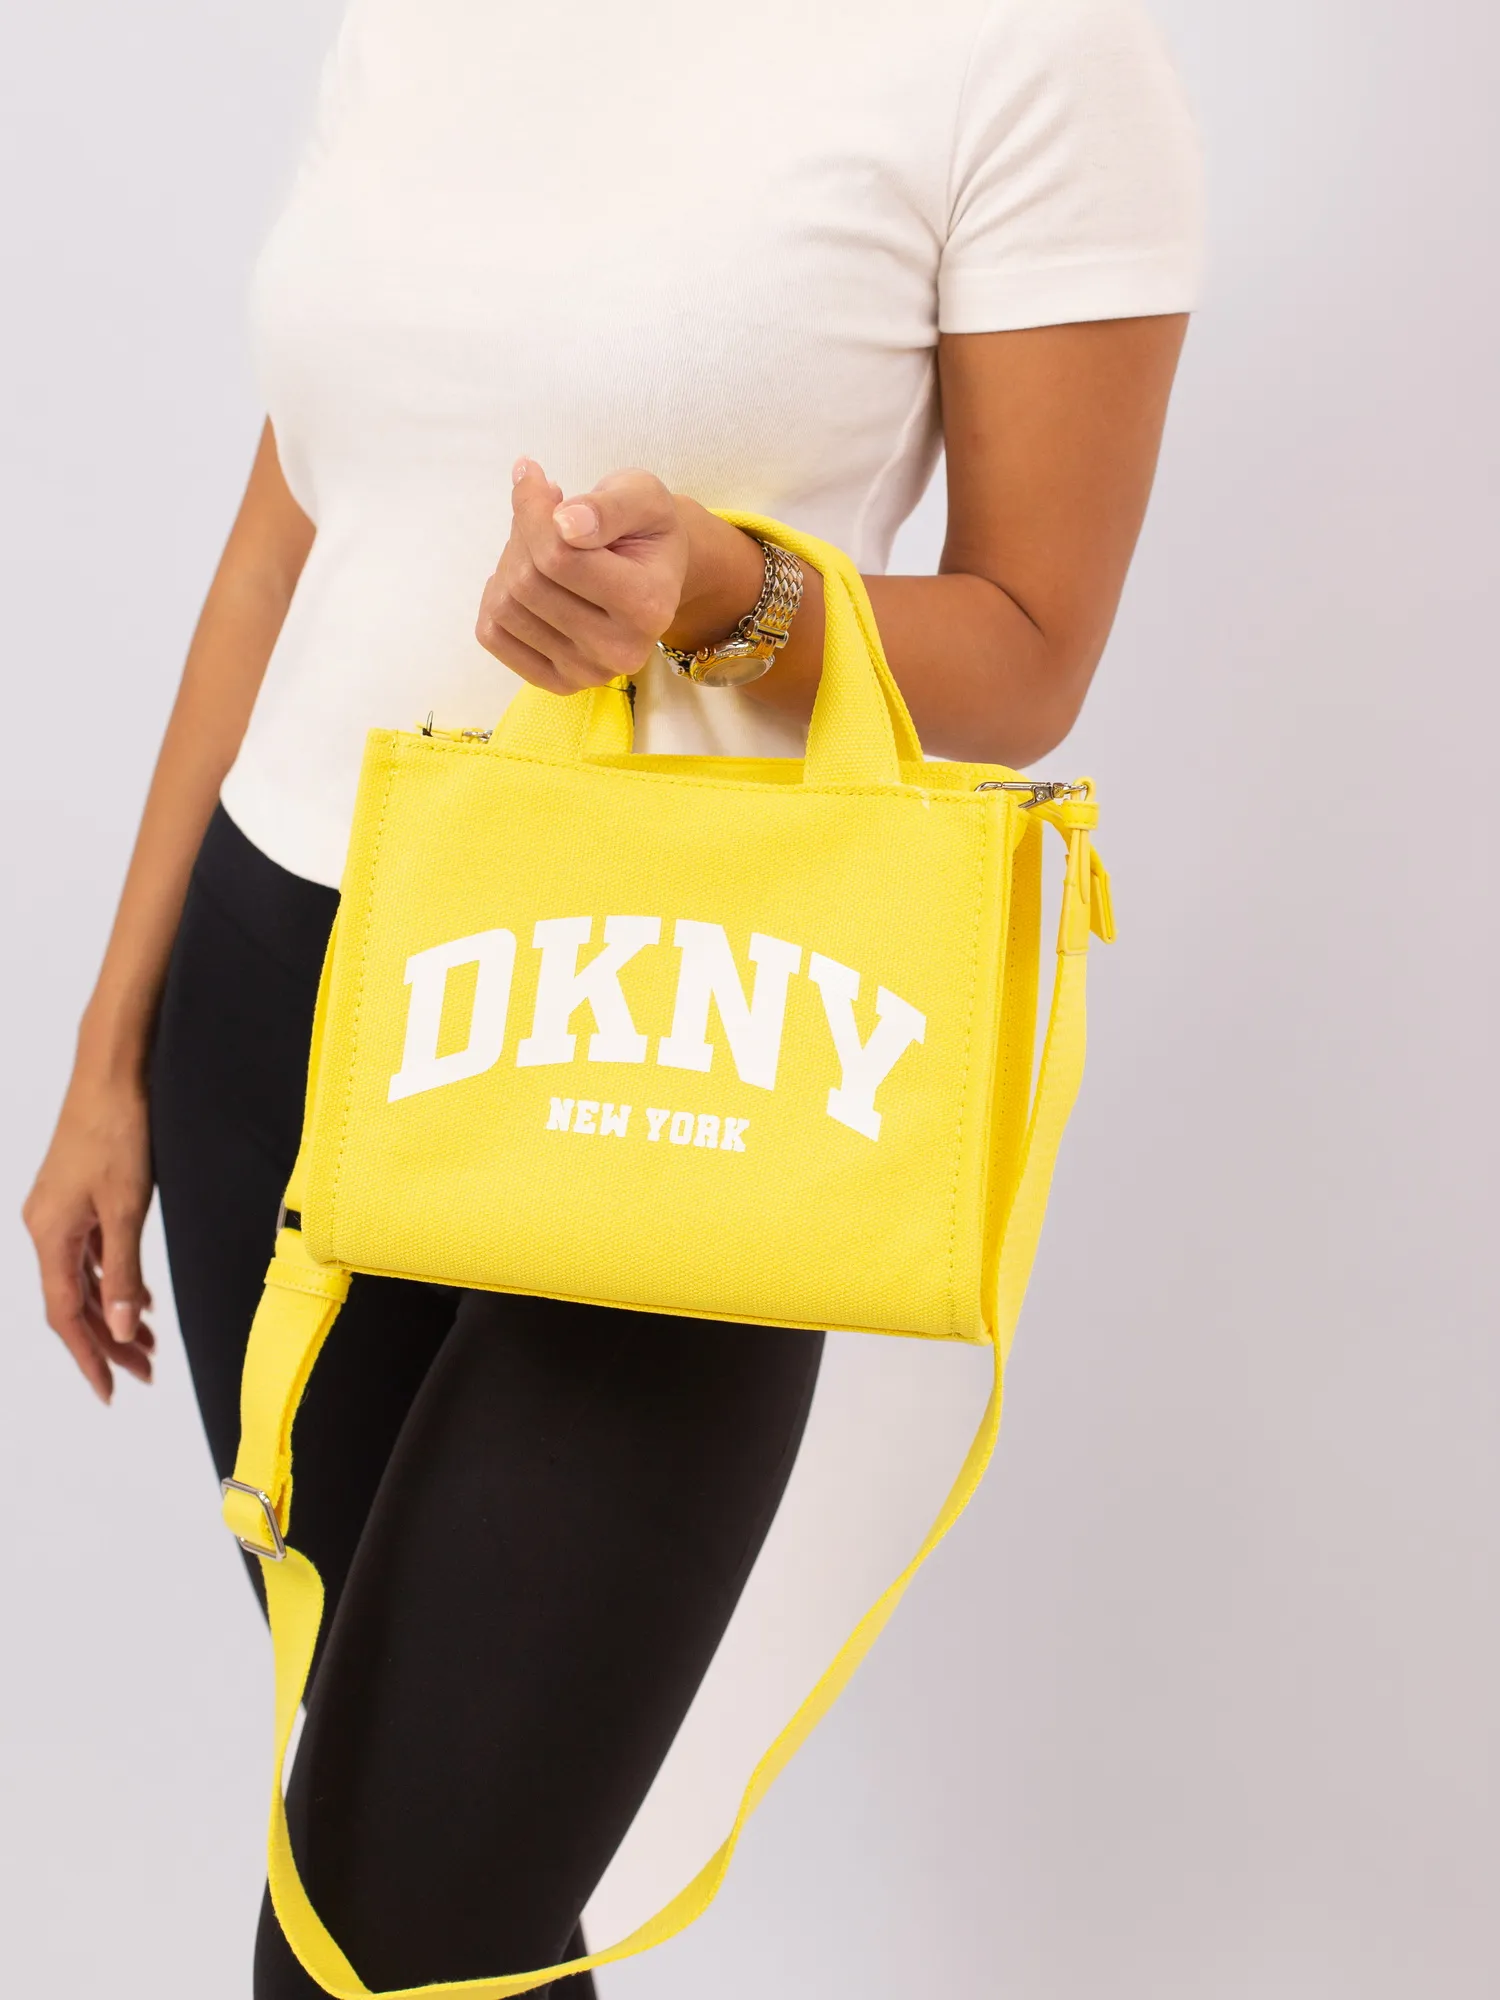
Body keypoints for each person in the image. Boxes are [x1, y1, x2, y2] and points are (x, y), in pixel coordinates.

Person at [22, 1, 1203, 1991]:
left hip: (663, 1045)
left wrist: (735, 601)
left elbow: (1030, 646)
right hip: (283, 1006)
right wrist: (107, 1049)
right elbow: (282, 547)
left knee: (385, 1937)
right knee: (445, 1897)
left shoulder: (1033, 55)